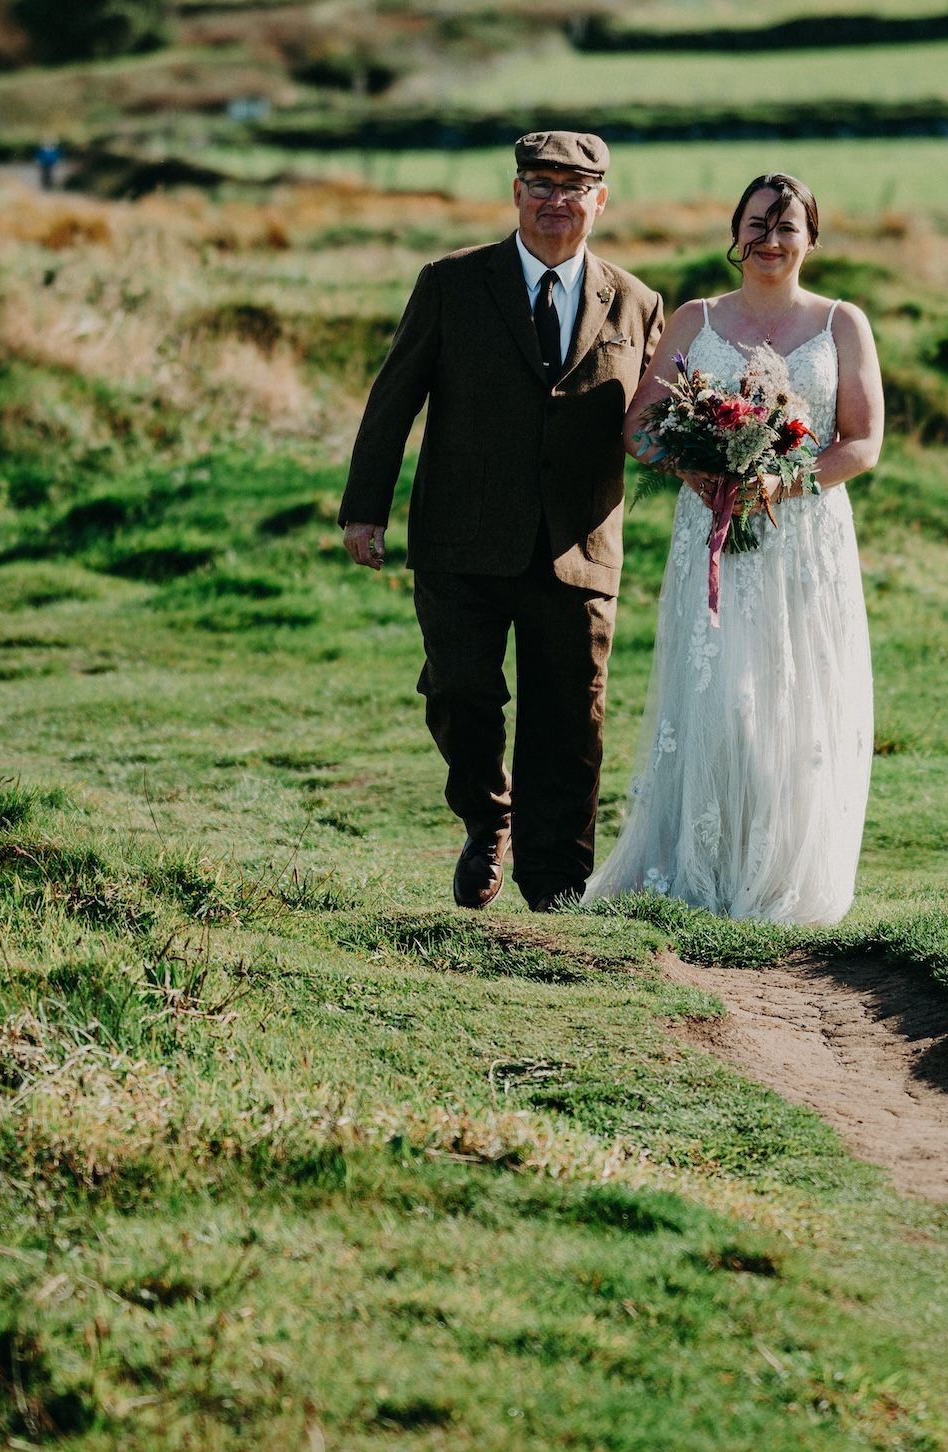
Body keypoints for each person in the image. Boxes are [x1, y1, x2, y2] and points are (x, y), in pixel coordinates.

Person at [339, 131, 664, 911]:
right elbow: (394, 400)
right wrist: (364, 512)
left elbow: (660, 422)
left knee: (571, 720)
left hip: (580, 546)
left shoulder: (639, 302)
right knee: (459, 693)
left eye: (574, 186)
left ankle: (555, 882)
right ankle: (488, 821)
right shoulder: (451, 283)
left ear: (601, 200)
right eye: (541, 183)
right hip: (461, 537)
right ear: (515, 193)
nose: (557, 199)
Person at [585, 172, 883, 925]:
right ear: (735, 232)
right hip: (709, 530)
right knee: (720, 695)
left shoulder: (842, 323)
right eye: (757, 224)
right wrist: (697, 467)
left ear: (811, 238)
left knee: (795, 698)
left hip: (804, 535)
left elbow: (863, 442)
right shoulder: (697, 320)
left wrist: (783, 486)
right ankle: (704, 865)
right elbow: (640, 425)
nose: (769, 241)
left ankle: (781, 871)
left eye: (786, 227)